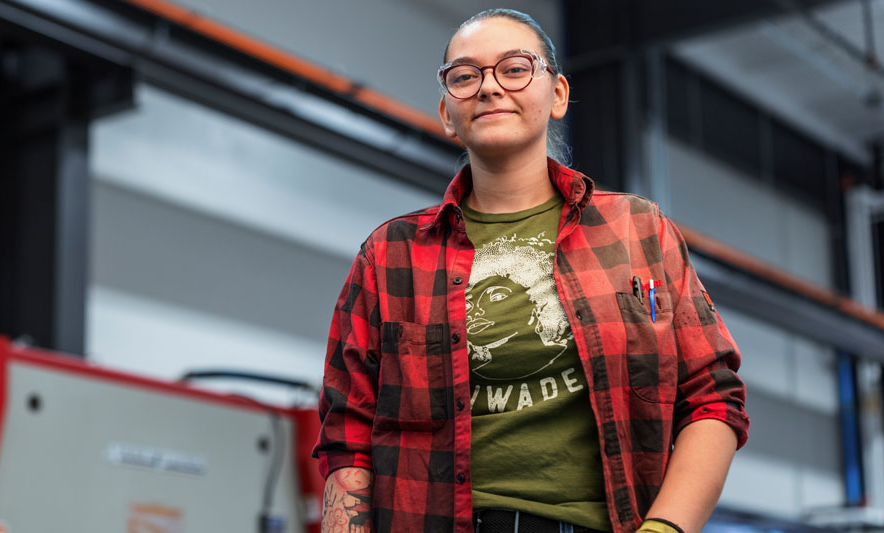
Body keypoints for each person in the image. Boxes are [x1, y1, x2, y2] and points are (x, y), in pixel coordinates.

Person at [313, 9, 749, 533]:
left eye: (515, 68)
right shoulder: (390, 255)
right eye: (465, 75)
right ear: (448, 113)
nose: (490, 88)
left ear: (558, 94)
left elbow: (712, 397)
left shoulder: (638, 231)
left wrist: (666, 529)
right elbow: (348, 435)